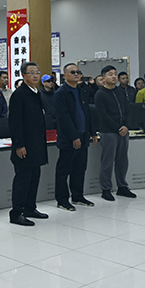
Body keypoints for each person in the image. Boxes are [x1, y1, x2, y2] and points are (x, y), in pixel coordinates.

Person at [8, 62, 49, 226]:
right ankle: (16, 213)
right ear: (23, 75)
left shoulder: (36, 93)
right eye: (31, 72)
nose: (35, 75)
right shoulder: (19, 95)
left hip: (36, 144)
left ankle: (30, 208)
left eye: (37, 72)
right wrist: (19, 144)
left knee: (34, 178)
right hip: (24, 145)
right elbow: (15, 122)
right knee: (23, 180)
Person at [54, 63, 98, 211]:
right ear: (65, 75)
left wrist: (92, 132)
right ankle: (62, 200)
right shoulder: (61, 93)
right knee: (64, 170)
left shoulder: (81, 91)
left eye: (78, 72)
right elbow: (64, 117)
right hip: (69, 138)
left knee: (80, 168)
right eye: (72, 72)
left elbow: (87, 113)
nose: (76, 74)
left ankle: (77, 196)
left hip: (83, 135)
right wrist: (74, 137)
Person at [95, 65, 135, 201]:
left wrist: (126, 126)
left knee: (122, 160)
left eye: (115, 74)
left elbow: (128, 110)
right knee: (107, 161)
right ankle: (106, 189)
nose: (113, 76)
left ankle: (122, 186)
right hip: (109, 132)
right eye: (110, 74)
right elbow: (103, 115)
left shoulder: (121, 92)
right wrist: (118, 128)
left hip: (123, 131)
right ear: (103, 78)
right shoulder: (100, 94)